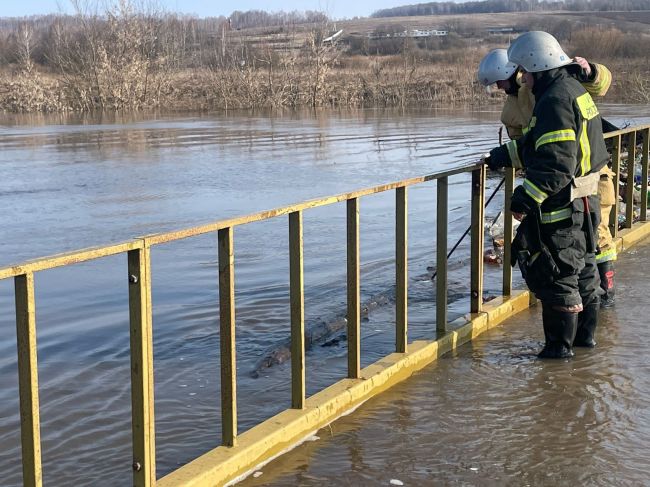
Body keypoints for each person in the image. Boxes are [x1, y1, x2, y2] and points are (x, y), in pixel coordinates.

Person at [483, 31, 609, 358]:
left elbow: (555, 162)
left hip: (564, 207)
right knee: (583, 270)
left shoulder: (554, 100)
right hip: (584, 200)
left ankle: (557, 355)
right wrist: (501, 156)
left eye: (525, 71)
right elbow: (540, 144)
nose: (522, 78)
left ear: (539, 65)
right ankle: (584, 345)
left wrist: (525, 198)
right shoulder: (570, 90)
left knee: (558, 277)